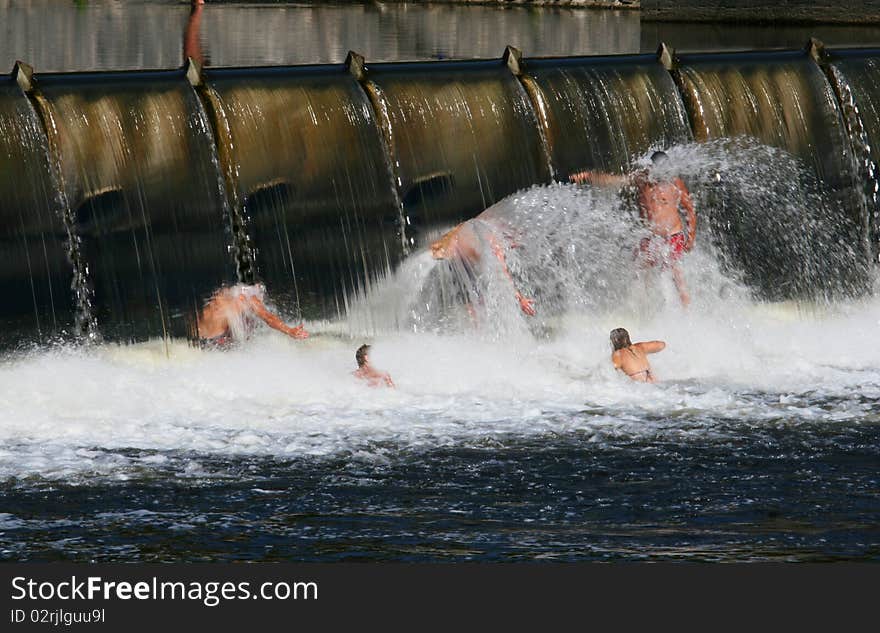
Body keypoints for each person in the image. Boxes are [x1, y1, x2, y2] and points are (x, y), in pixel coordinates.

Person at [571, 151, 697, 306]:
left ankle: (687, 309)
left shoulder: (675, 183)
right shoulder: (642, 179)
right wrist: (589, 176)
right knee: (638, 266)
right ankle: (644, 306)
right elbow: (613, 180)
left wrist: (690, 237)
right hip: (652, 236)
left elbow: (689, 209)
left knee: (673, 269)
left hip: (673, 235)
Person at [429, 214, 535, 317]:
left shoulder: (488, 227)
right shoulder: (496, 243)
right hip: (456, 262)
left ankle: (472, 327)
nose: (515, 246)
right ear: (510, 236)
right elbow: (502, 275)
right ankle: (476, 329)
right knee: (476, 307)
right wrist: (521, 299)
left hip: (448, 253)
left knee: (475, 303)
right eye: (515, 242)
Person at [196, 282, 308, 346]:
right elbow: (268, 317)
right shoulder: (250, 297)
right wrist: (289, 331)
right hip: (219, 345)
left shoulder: (219, 298)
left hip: (200, 342)